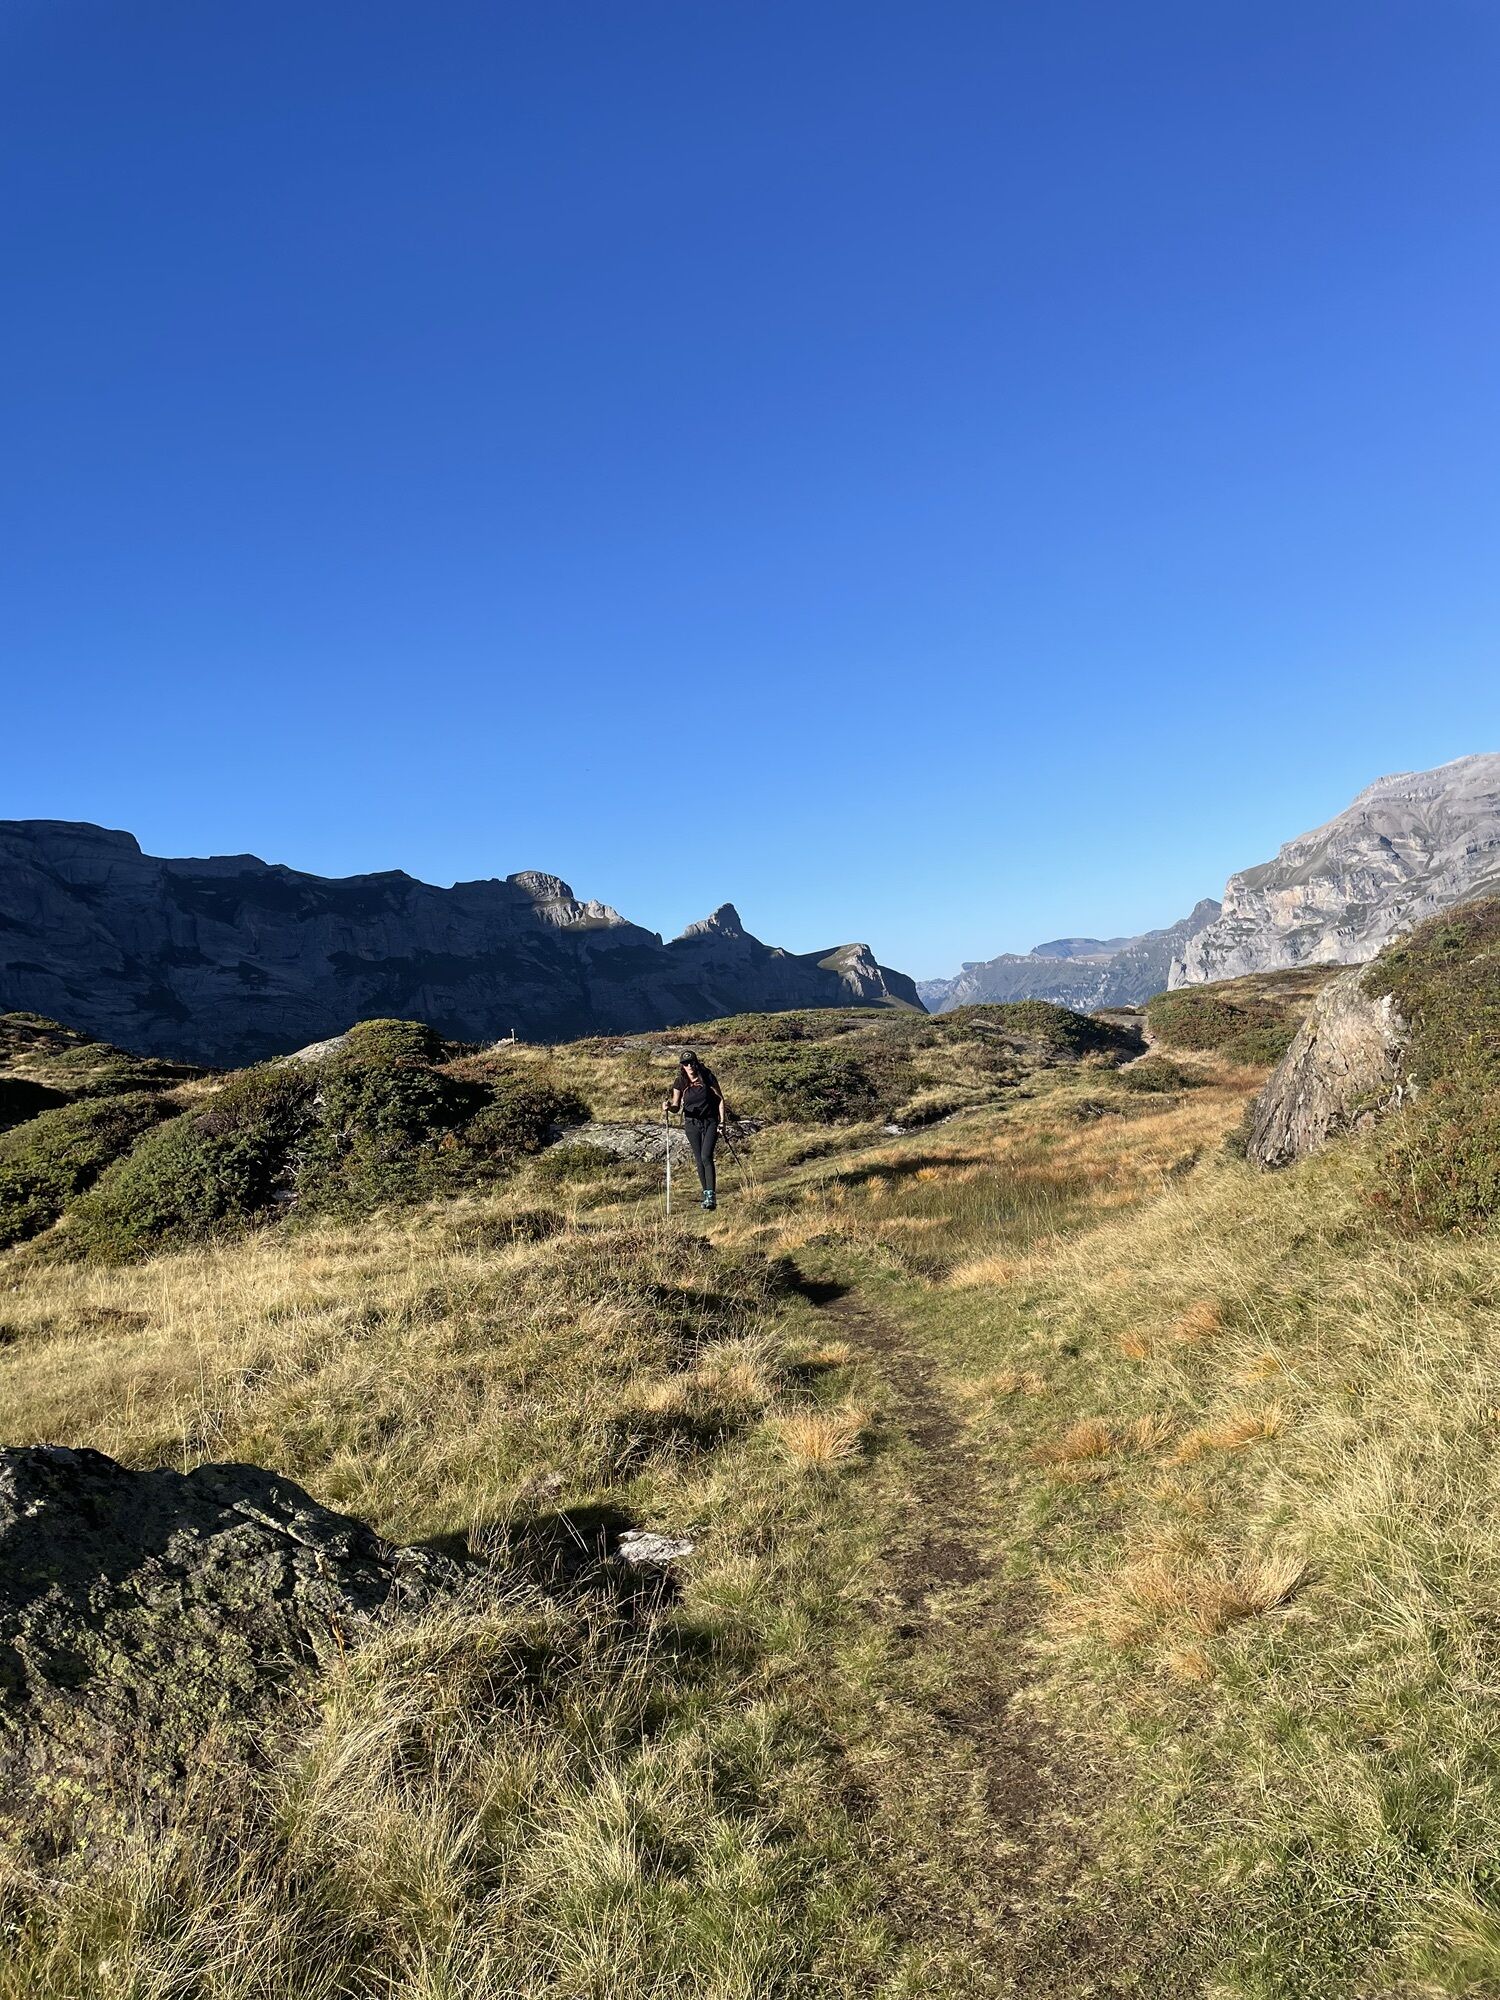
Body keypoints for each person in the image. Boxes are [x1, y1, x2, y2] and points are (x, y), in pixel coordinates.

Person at [665, 1050, 728, 1210]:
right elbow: (676, 1106)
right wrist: (668, 1107)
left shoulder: (707, 1076)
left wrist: (722, 1122)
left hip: (710, 1121)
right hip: (691, 1123)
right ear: (682, 1066)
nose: (689, 1066)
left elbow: (720, 1099)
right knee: (699, 1159)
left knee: (706, 1156)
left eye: (692, 1062)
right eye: (686, 1063)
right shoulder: (680, 1082)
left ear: (696, 1062)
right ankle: (706, 1194)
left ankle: (711, 1195)